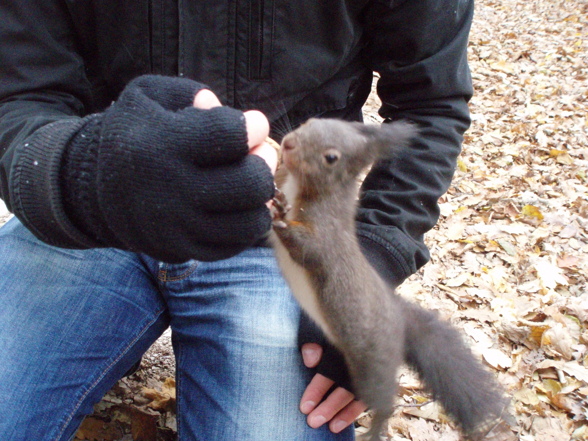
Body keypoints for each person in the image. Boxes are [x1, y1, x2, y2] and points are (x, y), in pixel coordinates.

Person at [0, 0, 474, 440]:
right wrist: (73, 172)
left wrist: (367, 265)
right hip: (95, 206)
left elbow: (429, 104)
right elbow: (21, 91)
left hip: (285, 237)